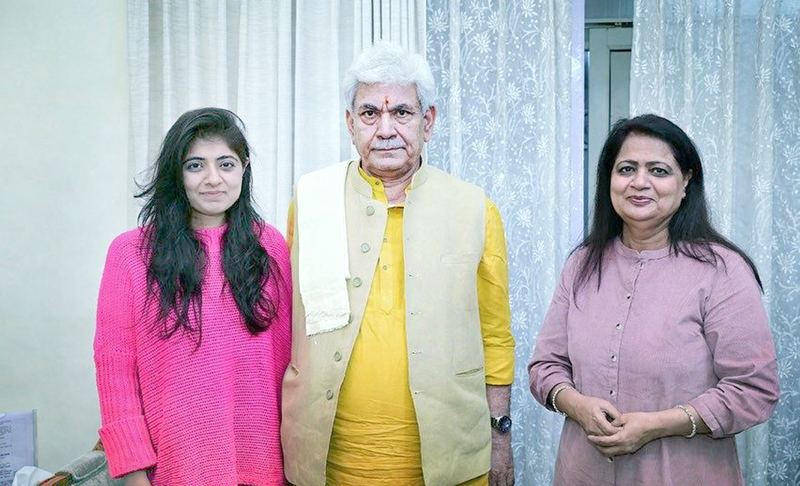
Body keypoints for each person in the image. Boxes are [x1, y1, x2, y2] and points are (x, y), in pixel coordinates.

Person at [281, 42, 516, 486]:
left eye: (402, 113)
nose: (386, 129)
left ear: (428, 121)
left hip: (449, 464)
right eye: (370, 114)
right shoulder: (311, 200)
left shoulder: (473, 208)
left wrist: (500, 437)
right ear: (350, 124)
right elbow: (284, 323)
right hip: (329, 462)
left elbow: (495, 336)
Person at [528, 114, 780, 485]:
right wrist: (576, 405)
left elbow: (754, 390)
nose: (639, 182)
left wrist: (658, 425)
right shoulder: (582, 265)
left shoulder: (722, 271)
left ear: (686, 182)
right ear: (609, 180)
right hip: (583, 473)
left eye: (659, 171)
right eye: (626, 169)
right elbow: (545, 366)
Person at [94, 108, 292, 485]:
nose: (213, 179)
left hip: (264, 464)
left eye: (226, 164)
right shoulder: (130, 253)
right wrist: (134, 474)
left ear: (244, 168)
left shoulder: (270, 246)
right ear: (176, 173)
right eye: (196, 165)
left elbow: (285, 363)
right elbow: (115, 371)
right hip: (176, 467)